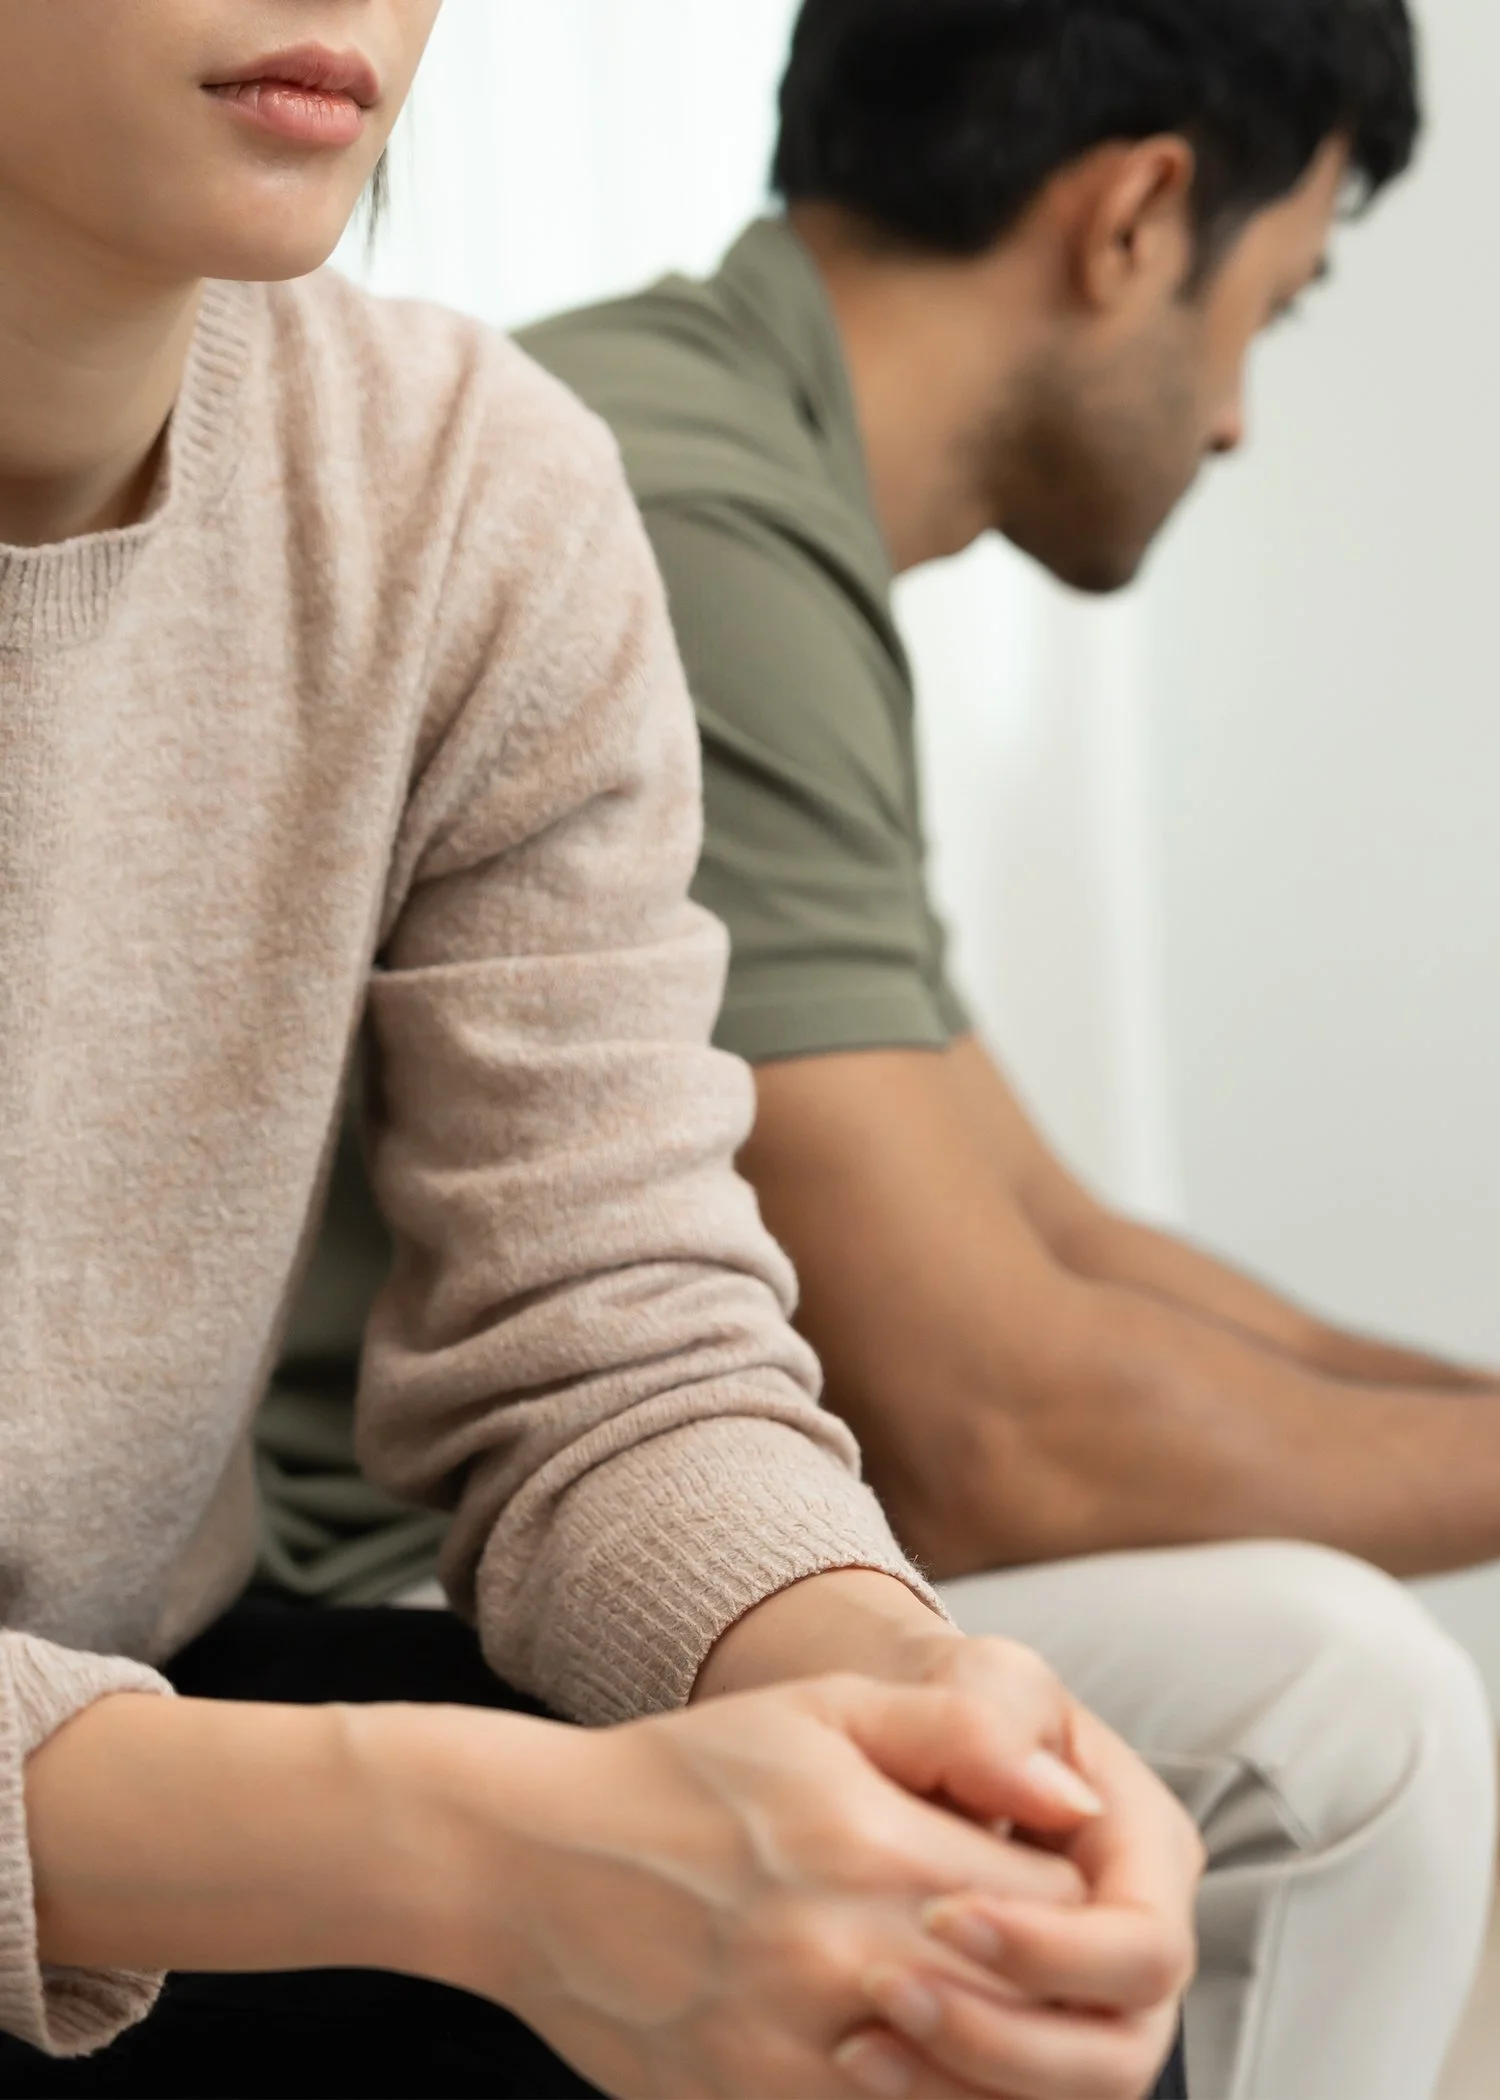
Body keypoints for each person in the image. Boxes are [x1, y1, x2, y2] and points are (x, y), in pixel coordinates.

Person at [254, 3, 1500, 2098]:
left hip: (539, 1535)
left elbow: (1052, 1229)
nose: (1234, 428)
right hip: (375, 1584)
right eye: (1265, 318)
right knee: (1338, 1709)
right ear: (1137, 218)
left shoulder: (747, 486)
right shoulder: (689, 510)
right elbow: (994, 1423)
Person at [0, 5, 1206, 2099]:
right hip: (138, 1808)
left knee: (944, 1959)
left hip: (147, 1727)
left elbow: (609, 1351)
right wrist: (485, 1858)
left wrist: (900, 1700)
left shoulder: (468, 492)